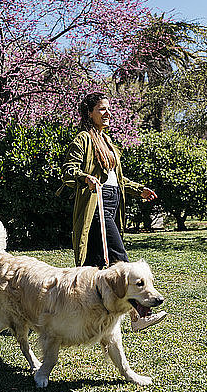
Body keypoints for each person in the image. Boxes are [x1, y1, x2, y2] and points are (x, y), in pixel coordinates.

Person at [60, 92, 167, 331]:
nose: (108, 113)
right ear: (89, 113)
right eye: (102, 109)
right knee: (121, 262)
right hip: (95, 205)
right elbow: (68, 169)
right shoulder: (83, 139)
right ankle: (139, 316)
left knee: (93, 266)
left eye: (109, 109)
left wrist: (138, 190)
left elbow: (115, 179)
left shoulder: (106, 142)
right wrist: (84, 177)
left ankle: (75, 314)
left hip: (110, 201)